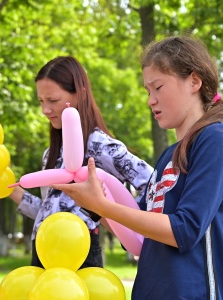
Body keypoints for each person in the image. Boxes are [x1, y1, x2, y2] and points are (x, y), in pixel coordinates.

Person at [52, 35, 223, 299]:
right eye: (147, 91)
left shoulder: (214, 139)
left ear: (194, 81)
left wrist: (104, 206)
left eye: (158, 87)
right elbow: (137, 233)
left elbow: (185, 230)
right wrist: (97, 205)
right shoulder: (168, 155)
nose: (150, 100)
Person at [10, 56, 153, 269]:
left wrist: (132, 229)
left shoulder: (99, 144)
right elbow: (48, 209)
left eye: (53, 101)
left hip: (78, 250)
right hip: (42, 250)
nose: (45, 110)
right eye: (41, 101)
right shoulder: (51, 153)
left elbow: (153, 183)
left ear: (80, 95)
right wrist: (9, 189)